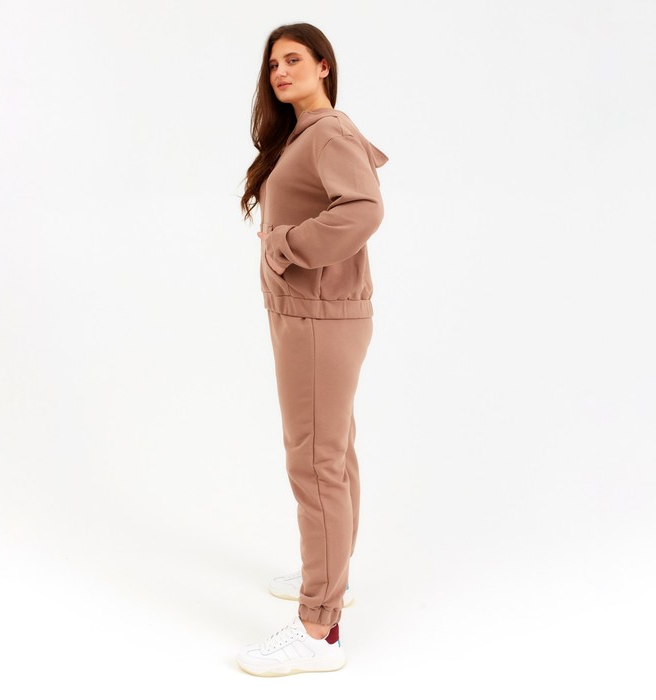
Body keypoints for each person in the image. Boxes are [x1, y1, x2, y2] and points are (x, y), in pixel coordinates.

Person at [236, 22, 387, 677]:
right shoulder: (304, 135)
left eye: (293, 59)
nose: (280, 72)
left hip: (319, 318)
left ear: (325, 65)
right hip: (310, 315)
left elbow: (363, 209)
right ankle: (332, 576)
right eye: (273, 64)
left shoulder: (327, 132)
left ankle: (318, 630)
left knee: (315, 463)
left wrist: (286, 246)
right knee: (333, 454)